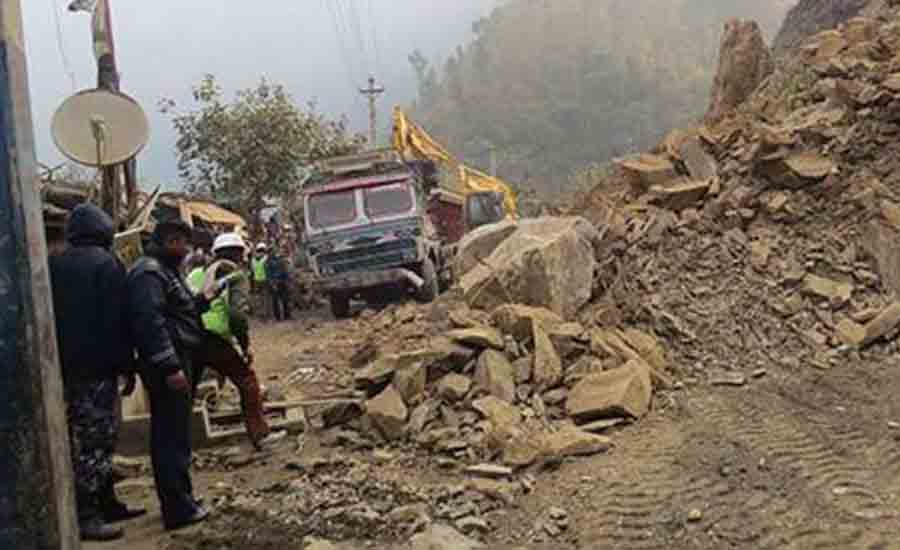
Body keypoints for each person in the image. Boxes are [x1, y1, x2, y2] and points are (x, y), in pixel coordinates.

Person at [49, 203, 146, 541]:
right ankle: (88, 515)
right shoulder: (107, 264)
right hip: (99, 368)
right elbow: (116, 321)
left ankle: (107, 502)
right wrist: (128, 366)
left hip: (66, 367)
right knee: (97, 441)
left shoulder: (54, 263)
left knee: (87, 437)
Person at [127, 220, 210, 531]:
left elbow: (179, 310)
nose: (186, 249)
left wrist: (203, 300)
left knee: (177, 434)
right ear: (168, 242)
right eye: (181, 243)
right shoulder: (149, 274)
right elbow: (150, 323)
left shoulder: (165, 271)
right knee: (170, 437)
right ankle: (177, 509)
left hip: (178, 357)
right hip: (168, 364)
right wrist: (170, 366)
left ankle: (183, 499)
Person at [191, 233, 285, 450]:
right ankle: (260, 436)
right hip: (214, 338)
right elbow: (236, 315)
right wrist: (244, 345)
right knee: (247, 382)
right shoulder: (236, 276)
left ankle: (180, 445)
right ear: (240, 253)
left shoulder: (195, 274)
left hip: (189, 336)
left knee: (187, 391)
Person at [266, 244, 293, 321]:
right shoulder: (268, 262)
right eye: (271, 251)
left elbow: (284, 270)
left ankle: (287, 315)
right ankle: (278, 317)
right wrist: (272, 284)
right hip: (275, 282)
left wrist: (287, 280)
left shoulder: (279, 259)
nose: (273, 252)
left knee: (285, 299)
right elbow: (268, 274)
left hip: (282, 281)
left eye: (273, 250)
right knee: (275, 301)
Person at [251, 242, 270, 319]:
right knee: (265, 297)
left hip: (256, 280)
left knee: (258, 298)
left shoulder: (253, 260)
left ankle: (260, 313)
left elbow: (252, 270)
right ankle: (264, 313)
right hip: (264, 280)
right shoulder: (265, 259)